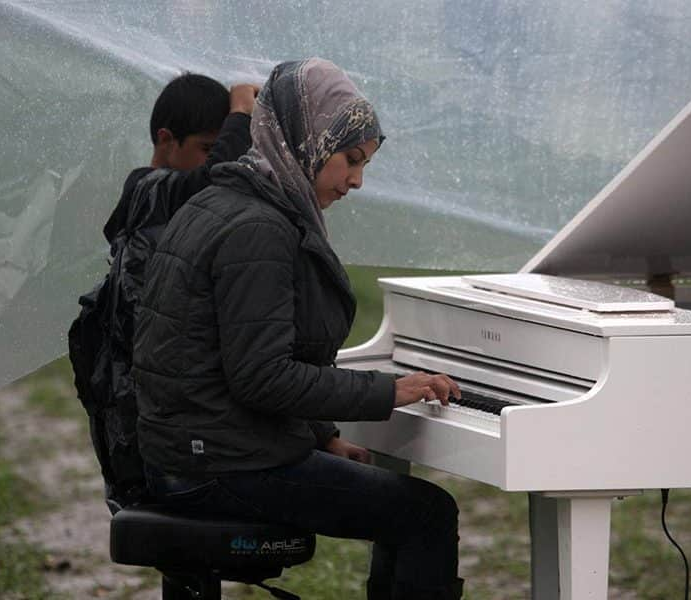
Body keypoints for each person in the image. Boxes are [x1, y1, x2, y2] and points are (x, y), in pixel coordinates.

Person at [132, 58, 465, 600]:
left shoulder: (223, 199)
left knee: (406, 507)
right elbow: (261, 377)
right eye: (350, 160)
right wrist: (391, 391)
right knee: (426, 513)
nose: (357, 180)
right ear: (304, 141)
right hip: (218, 465)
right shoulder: (258, 228)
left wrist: (321, 436)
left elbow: (227, 356)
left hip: (190, 447)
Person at [68, 73, 259, 510]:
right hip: (142, 419)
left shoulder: (163, 200)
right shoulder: (149, 191)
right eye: (207, 147)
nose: (215, 157)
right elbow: (217, 179)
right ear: (166, 140)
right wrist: (241, 114)